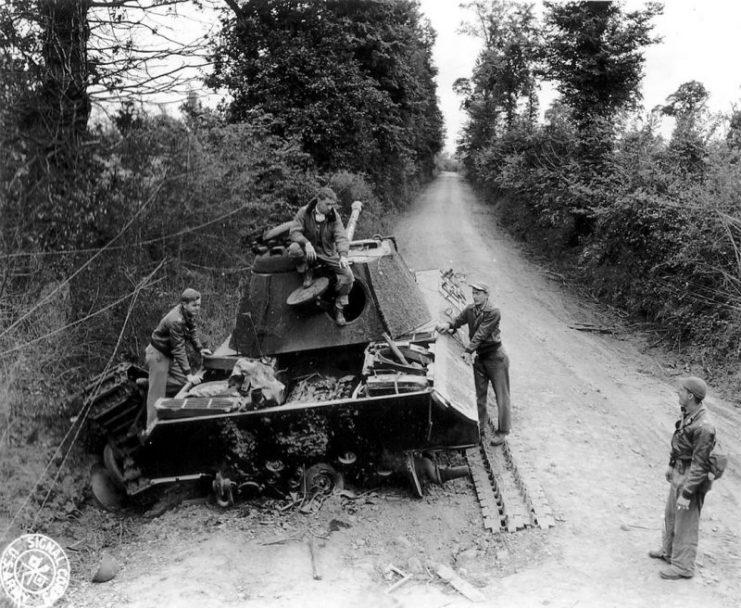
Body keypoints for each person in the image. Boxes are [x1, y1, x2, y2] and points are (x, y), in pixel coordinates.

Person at [649, 376, 715, 580]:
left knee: (685, 522)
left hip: (692, 476)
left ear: (691, 396)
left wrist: (687, 492)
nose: (678, 392)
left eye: (681, 390)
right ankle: (668, 552)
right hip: (680, 469)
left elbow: (700, 465)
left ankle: (683, 567)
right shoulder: (689, 414)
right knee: (671, 515)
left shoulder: (704, 427)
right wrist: (671, 464)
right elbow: (679, 440)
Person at [435, 280, 511, 445]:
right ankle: (479, 429)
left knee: (502, 395)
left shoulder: (493, 312)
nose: (475, 296)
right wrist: (447, 324)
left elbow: (481, 333)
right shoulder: (470, 309)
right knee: (479, 395)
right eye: (473, 293)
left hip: (496, 357)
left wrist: (468, 351)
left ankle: (502, 432)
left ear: (486, 295)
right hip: (481, 358)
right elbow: (458, 320)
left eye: (478, 293)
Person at [144, 288, 211, 427]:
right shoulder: (176, 320)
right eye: (194, 305)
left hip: (169, 356)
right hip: (158, 355)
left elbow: (192, 331)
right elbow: (178, 349)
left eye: (199, 305)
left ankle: (150, 382)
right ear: (184, 304)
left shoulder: (187, 313)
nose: (197, 308)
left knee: (183, 384)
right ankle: (151, 427)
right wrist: (188, 373)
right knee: (156, 397)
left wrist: (200, 349)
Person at [288, 186, 354, 326]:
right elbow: (294, 232)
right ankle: (308, 271)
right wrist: (306, 243)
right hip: (308, 251)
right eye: (327, 204)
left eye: (332, 205)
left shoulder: (334, 216)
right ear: (319, 200)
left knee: (348, 275)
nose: (330, 208)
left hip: (327, 253)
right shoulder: (304, 212)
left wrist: (343, 255)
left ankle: (339, 308)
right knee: (294, 249)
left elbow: (341, 236)